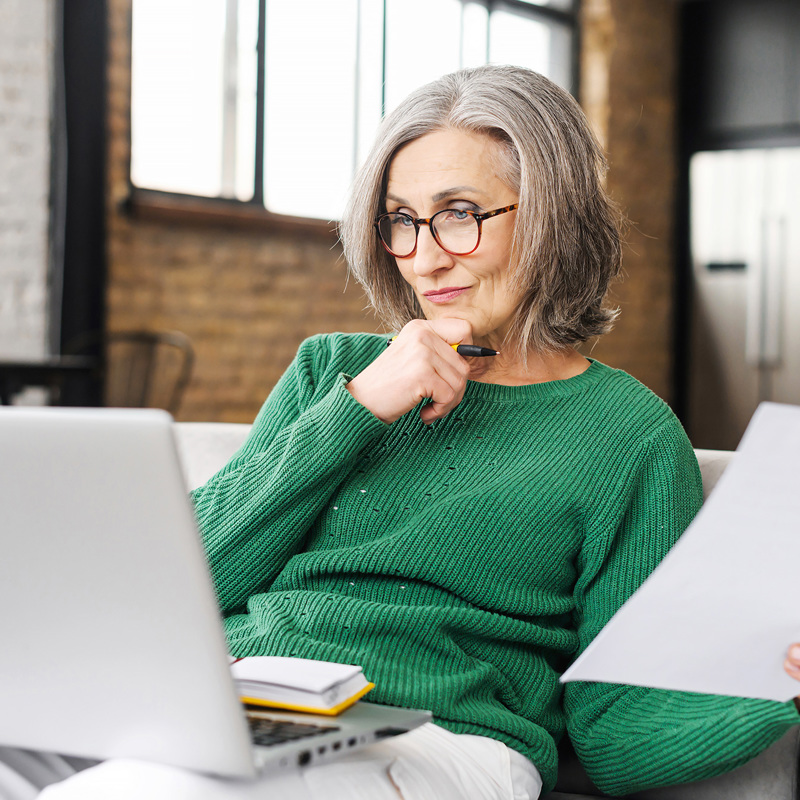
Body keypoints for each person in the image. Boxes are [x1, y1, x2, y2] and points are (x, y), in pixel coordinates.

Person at [11, 64, 800, 799]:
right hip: (227, 699)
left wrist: (781, 687)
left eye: (460, 215)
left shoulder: (627, 435)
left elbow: (614, 725)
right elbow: (188, 585)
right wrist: (356, 409)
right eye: (399, 221)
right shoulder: (335, 374)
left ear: (554, 217)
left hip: (433, 739)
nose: (423, 258)